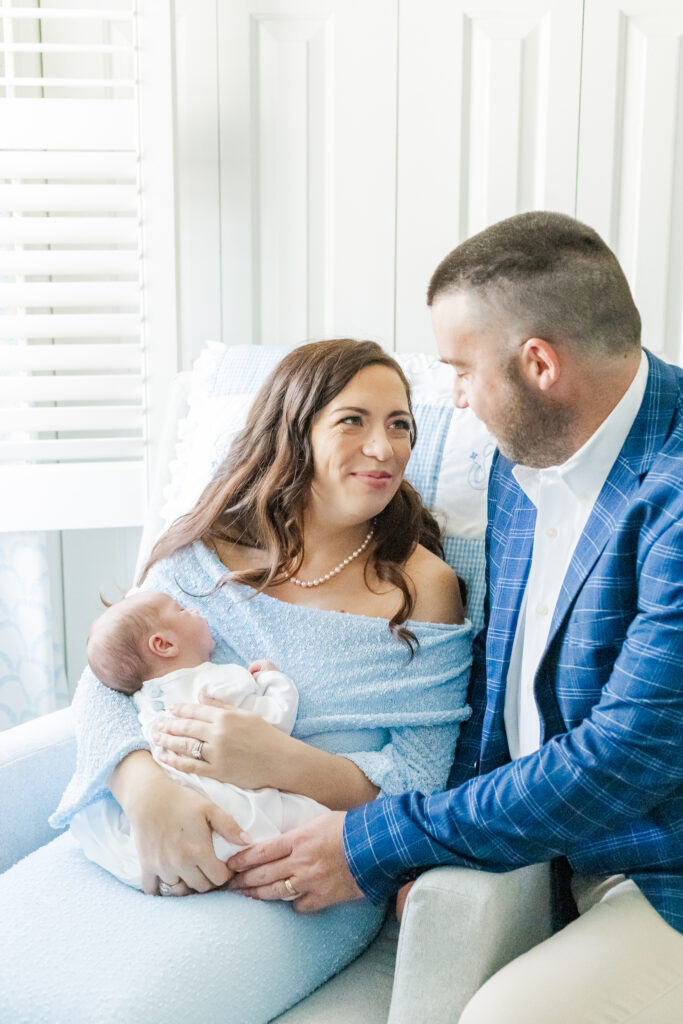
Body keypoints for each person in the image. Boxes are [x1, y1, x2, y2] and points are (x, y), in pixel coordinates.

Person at [227, 212, 683, 1021]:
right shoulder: (527, 459)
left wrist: (384, 840)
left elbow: (629, 752)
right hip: (545, 850)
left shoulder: (672, 493)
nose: (456, 401)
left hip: (662, 870)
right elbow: (495, 683)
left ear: (538, 363)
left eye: (461, 370)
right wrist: (432, 853)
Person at [0, 338, 473, 1024]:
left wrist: (282, 761)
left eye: (399, 424)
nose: (383, 447)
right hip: (139, 837)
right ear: (294, 431)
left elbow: (421, 780)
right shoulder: (201, 549)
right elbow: (107, 687)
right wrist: (145, 789)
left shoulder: (421, 587)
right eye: (353, 420)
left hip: (287, 873)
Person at [70, 590, 328, 891]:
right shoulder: (220, 681)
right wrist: (272, 679)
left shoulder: (143, 701)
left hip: (176, 801)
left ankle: (166, 875)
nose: (194, 610)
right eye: (181, 610)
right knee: (311, 818)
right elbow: (275, 719)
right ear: (164, 644)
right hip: (227, 802)